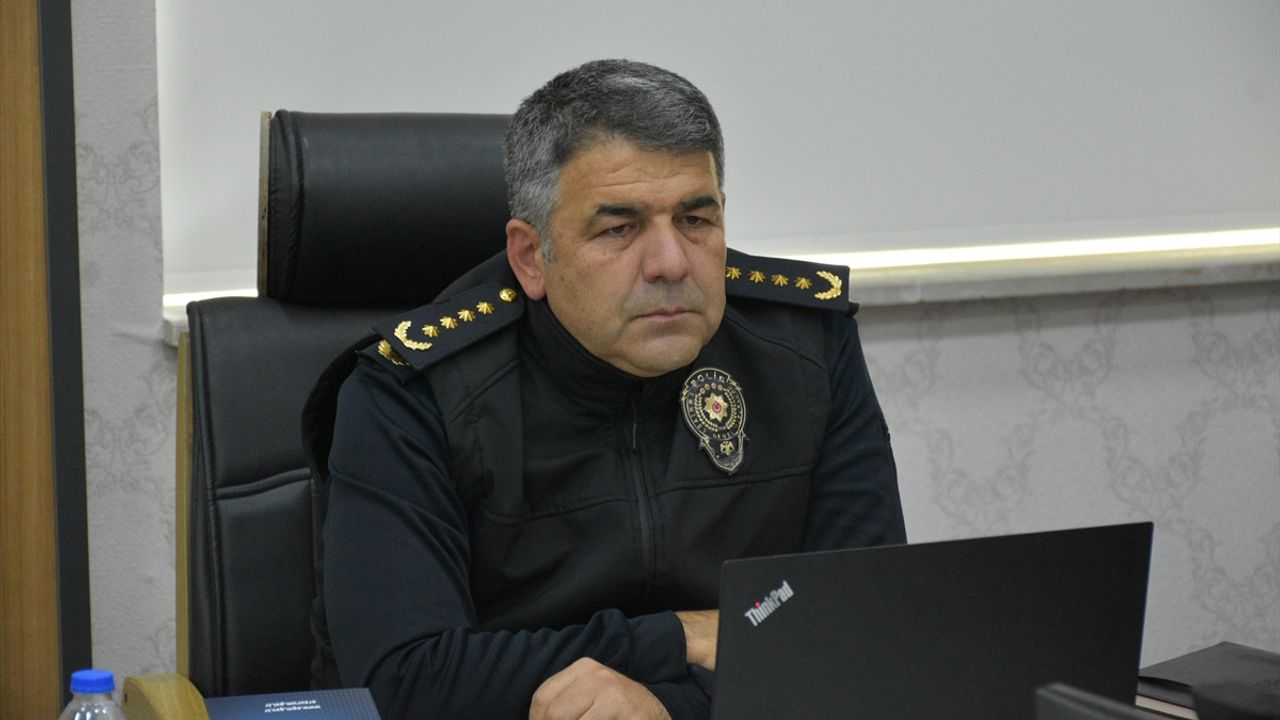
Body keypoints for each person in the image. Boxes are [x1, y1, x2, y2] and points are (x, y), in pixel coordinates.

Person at [314, 58, 906, 720]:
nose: (670, 263)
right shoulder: (412, 391)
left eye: (695, 220)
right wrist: (676, 636)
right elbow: (408, 681)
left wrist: (670, 708)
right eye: (619, 228)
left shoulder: (804, 350)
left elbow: (864, 624)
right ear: (531, 257)